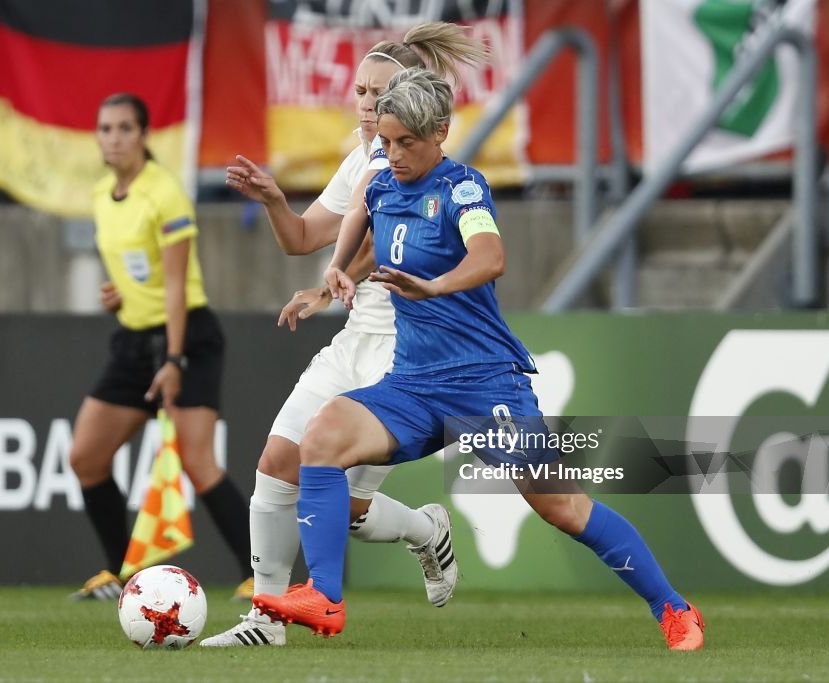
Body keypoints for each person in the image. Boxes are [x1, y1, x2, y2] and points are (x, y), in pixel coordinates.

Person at [252, 68, 706, 652]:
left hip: (484, 382)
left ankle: (673, 608)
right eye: (386, 143)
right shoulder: (383, 180)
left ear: (440, 132)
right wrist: (333, 273)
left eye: (406, 143)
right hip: (413, 383)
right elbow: (364, 214)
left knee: (562, 507)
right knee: (322, 437)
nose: (393, 155)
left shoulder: (463, 189)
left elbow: (490, 257)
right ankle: (326, 596)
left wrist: (433, 288)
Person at [199, 24, 489, 647]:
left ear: (409, 100)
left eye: (378, 93)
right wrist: (278, 201)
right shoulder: (360, 159)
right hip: (355, 338)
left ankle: (424, 531)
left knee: (346, 510)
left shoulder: (421, 166)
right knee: (275, 466)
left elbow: (384, 246)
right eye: (359, 90)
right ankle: (267, 618)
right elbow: (304, 239)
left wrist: (330, 285)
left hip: (406, 350)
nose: (364, 104)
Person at [69, 93, 252, 601]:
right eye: (105, 128)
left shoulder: (165, 193)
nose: (114, 138)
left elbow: (176, 286)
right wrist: (118, 294)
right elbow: (140, 274)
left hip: (186, 336)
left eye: (125, 128)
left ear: (144, 135)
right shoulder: (103, 194)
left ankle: (259, 576)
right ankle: (118, 574)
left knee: (198, 462)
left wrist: (173, 360)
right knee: (85, 455)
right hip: (132, 338)